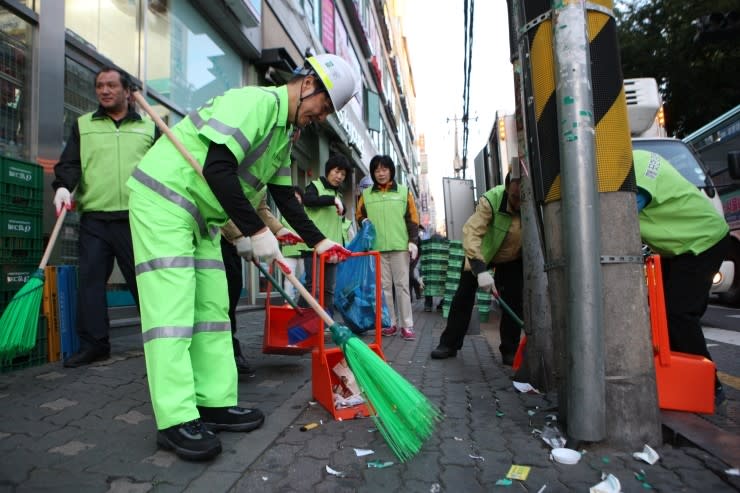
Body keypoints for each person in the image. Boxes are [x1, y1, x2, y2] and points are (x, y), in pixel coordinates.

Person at [126, 54, 356, 461]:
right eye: (324, 107)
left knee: (213, 309)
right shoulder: (256, 103)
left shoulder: (287, 133)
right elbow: (218, 168)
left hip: (204, 217)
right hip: (165, 200)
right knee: (173, 314)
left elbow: (284, 196)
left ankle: (213, 402)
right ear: (308, 86)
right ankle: (175, 419)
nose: (322, 117)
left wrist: (318, 241)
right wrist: (255, 230)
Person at [51, 66, 158, 368]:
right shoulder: (84, 125)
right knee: (91, 283)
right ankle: (95, 345)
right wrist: (62, 186)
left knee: (145, 283)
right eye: (100, 86)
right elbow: (70, 162)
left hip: (136, 218)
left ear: (127, 91)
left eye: (112, 85)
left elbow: (165, 170)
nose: (105, 90)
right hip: (95, 217)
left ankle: (158, 341)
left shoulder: (149, 127)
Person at [633, 149, 731, 405]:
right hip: (682, 247)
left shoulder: (637, 166)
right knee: (663, 315)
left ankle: (707, 387)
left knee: (678, 313)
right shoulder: (639, 158)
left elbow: (624, 209)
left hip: (702, 241)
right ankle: (680, 378)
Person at [431, 173, 523, 365]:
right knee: (463, 296)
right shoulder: (492, 199)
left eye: (522, 197)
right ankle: (449, 344)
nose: (518, 202)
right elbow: (471, 231)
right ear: (507, 189)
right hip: (483, 253)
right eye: (514, 197)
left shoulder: (532, 204)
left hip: (512, 256)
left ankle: (510, 350)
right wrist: (480, 269)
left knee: (513, 299)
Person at [220, 196, 300, 376]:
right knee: (220, 300)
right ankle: (228, 354)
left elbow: (260, 208)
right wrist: (239, 236)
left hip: (231, 240)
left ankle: (229, 351)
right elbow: (218, 200)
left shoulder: (263, 175)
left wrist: (279, 230)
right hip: (214, 236)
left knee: (232, 293)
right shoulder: (233, 168)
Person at [356, 155, 420, 341]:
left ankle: (407, 325)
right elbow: (359, 215)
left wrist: (413, 241)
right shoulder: (366, 194)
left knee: (402, 286)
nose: (381, 173)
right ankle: (390, 323)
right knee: (384, 288)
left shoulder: (403, 191)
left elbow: (413, 219)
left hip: (400, 246)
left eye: (384, 169)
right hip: (377, 248)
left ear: (391, 170)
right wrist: (363, 221)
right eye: (377, 170)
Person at [298, 154, 352, 310]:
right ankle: (300, 321)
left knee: (329, 288)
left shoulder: (339, 195)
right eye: (337, 172)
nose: (339, 177)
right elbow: (308, 200)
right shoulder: (314, 186)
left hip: (332, 249)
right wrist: (331, 200)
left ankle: (326, 321)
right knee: (312, 287)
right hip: (314, 246)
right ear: (328, 171)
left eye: (343, 174)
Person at [280, 186, 306, 300]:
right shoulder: (284, 212)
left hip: (304, 251)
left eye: (297, 197)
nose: (295, 200)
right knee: (289, 279)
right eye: (293, 197)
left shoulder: (307, 212)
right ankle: (288, 303)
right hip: (289, 251)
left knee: (304, 279)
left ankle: (302, 304)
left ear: (301, 198)